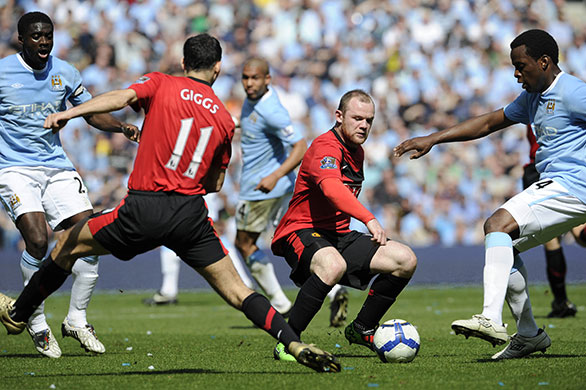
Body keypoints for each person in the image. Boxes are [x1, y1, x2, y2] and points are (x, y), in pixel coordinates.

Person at [0, 33, 340, 373]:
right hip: (190, 215)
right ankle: (293, 341)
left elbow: (121, 98)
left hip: (144, 208)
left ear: (183, 63)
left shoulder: (162, 83)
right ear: (218, 68)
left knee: (65, 245)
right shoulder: (224, 118)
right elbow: (216, 183)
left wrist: (71, 113)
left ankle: (19, 315)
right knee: (238, 291)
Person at [394, 29, 586, 360]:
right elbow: (487, 124)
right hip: (559, 184)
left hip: (573, 184)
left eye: (521, 66)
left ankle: (491, 319)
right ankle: (528, 334)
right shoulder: (532, 99)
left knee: (496, 224)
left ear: (544, 62)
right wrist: (434, 138)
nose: (516, 74)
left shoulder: (574, 93)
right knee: (503, 246)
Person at [0, 12, 138, 358]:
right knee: (37, 239)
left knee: (88, 238)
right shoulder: (3, 73)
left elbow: (90, 111)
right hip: (14, 168)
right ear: (21, 39)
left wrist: (121, 127)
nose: (43, 42)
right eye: (35, 36)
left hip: (56, 167)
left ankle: (76, 319)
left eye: (48, 35)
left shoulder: (65, 72)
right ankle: (36, 321)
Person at [270, 90, 417, 360]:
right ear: (339, 116)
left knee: (404, 259)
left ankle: (362, 328)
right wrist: (369, 219)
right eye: (357, 118)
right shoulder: (325, 146)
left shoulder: (357, 152)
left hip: (337, 236)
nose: (364, 125)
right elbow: (331, 189)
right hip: (299, 231)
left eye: (369, 120)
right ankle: (287, 342)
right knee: (332, 265)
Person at [237, 57, 350, 325]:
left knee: (244, 243)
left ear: (267, 80)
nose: (249, 83)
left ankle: (280, 303)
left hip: (262, 188)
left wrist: (273, 175)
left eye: (255, 78)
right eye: (245, 77)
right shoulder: (254, 101)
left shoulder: (271, 110)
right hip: (277, 187)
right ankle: (333, 291)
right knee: (291, 243)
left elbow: (300, 145)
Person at [522, 125, 585, 318]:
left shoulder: (532, 106)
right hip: (568, 167)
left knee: (551, 239)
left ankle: (561, 301)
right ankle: (560, 302)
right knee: (579, 230)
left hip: (539, 170)